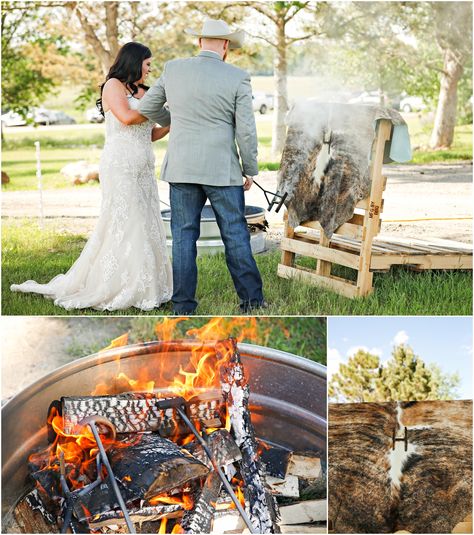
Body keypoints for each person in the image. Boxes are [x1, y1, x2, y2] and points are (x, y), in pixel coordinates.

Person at [11, 42, 173, 311]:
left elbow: (150, 133)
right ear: (134, 62)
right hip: (120, 165)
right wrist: (157, 103)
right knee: (125, 221)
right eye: (147, 65)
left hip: (144, 167)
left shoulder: (144, 91)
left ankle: (147, 285)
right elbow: (126, 117)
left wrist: (171, 121)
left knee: (145, 221)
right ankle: (119, 285)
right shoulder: (113, 86)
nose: (149, 70)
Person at [138, 19, 266, 315]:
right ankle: (252, 302)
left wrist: (173, 120)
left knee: (183, 237)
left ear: (199, 43)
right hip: (222, 169)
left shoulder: (173, 69)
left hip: (182, 167)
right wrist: (250, 168)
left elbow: (147, 108)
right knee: (235, 234)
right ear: (225, 46)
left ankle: (183, 305)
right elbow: (246, 130)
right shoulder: (237, 76)